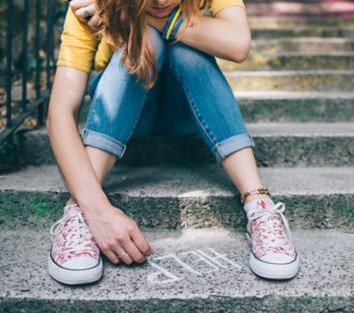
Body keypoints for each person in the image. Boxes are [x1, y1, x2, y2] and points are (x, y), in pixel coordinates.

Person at [46, 0, 299, 285]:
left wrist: (135, 18)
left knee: (185, 46)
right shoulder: (92, 4)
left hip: (186, 112)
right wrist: (98, 210)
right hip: (129, 114)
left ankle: (258, 203)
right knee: (145, 42)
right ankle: (79, 211)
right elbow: (59, 113)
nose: (160, 1)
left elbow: (238, 44)